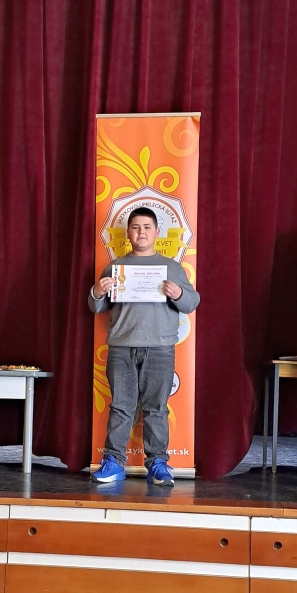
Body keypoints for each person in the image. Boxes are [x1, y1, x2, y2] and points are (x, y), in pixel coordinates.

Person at [89, 207, 200, 485]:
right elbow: (97, 307)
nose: (141, 232)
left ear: (157, 232)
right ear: (128, 233)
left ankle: (158, 464)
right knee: (121, 407)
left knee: (157, 408)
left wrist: (179, 293)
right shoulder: (115, 267)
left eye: (147, 227)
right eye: (136, 227)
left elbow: (191, 303)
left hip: (160, 349)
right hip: (122, 348)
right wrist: (97, 291)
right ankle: (113, 462)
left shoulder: (172, 268)